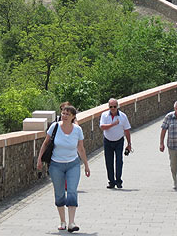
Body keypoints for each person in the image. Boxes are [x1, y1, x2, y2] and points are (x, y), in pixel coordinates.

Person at [37, 105, 90, 233]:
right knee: (60, 193)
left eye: (67, 114)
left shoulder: (77, 130)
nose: (64, 116)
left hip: (73, 164)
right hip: (56, 165)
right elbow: (45, 143)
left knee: (72, 191)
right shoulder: (54, 127)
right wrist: (39, 159)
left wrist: (86, 165)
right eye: (63, 113)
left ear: (73, 117)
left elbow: (81, 148)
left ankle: (72, 222)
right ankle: (62, 221)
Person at [99, 98, 131, 189]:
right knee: (109, 162)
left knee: (119, 161)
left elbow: (127, 130)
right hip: (107, 141)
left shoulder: (123, 116)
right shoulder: (104, 115)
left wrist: (129, 144)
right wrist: (113, 124)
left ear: (117, 106)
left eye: (114, 106)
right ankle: (111, 182)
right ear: (108, 107)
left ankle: (119, 181)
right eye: (111, 107)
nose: (113, 108)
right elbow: (102, 127)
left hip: (119, 141)